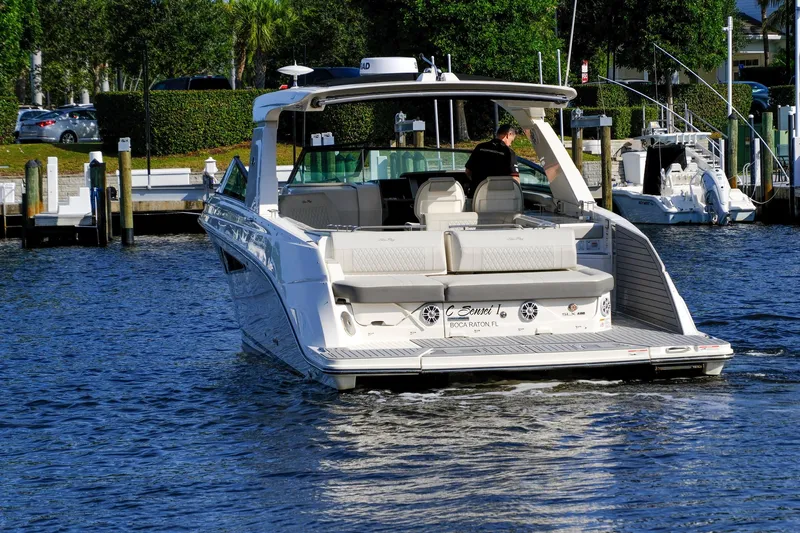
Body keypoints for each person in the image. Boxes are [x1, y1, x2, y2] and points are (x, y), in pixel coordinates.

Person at [464, 124, 520, 197]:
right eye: (511, 141)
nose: (510, 144)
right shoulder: (508, 152)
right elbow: (515, 179)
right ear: (508, 135)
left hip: (476, 195)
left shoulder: (480, 147)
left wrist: (478, 184)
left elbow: (468, 171)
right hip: (497, 197)